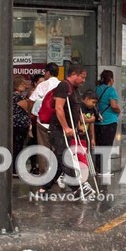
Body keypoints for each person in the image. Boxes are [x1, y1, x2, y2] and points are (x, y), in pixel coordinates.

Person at [37, 64, 95, 199]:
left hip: (67, 130)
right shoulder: (64, 86)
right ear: (74, 74)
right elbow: (59, 108)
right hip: (59, 130)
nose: (83, 80)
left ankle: (44, 188)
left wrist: (79, 125)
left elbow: (75, 110)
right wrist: (65, 127)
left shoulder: (74, 89)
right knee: (65, 157)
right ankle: (77, 188)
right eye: (82, 77)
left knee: (59, 160)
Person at [28, 63, 61, 174]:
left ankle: (45, 172)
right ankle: (57, 171)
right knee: (57, 147)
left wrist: (33, 113)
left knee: (43, 147)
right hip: (58, 121)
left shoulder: (42, 85)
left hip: (43, 121)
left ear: (47, 72)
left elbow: (32, 100)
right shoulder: (62, 85)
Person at [94, 69, 121, 175]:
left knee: (99, 145)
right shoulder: (111, 90)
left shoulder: (97, 89)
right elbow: (113, 105)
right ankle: (104, 169)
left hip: (97, 121)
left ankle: (98, 168)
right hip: (109, 121)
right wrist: (118, 110)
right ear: (111, 79)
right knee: (107, 145)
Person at [12, 75, 31, 177]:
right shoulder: (18, 96)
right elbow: (27, 108)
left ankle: (14, 168)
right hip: (19, 124)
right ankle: (15, 169)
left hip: (16, 124)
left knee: (16, 145)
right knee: (18, 146)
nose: (25, 86)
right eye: (23, 84)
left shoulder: (12, 96)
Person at [26, 73, 45, 175]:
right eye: (40, 82)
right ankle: (34, 165)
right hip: (34, 121)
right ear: (35, 83)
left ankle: (39, 165)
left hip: (42, 121)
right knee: (34, 143)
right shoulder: (33, 93)